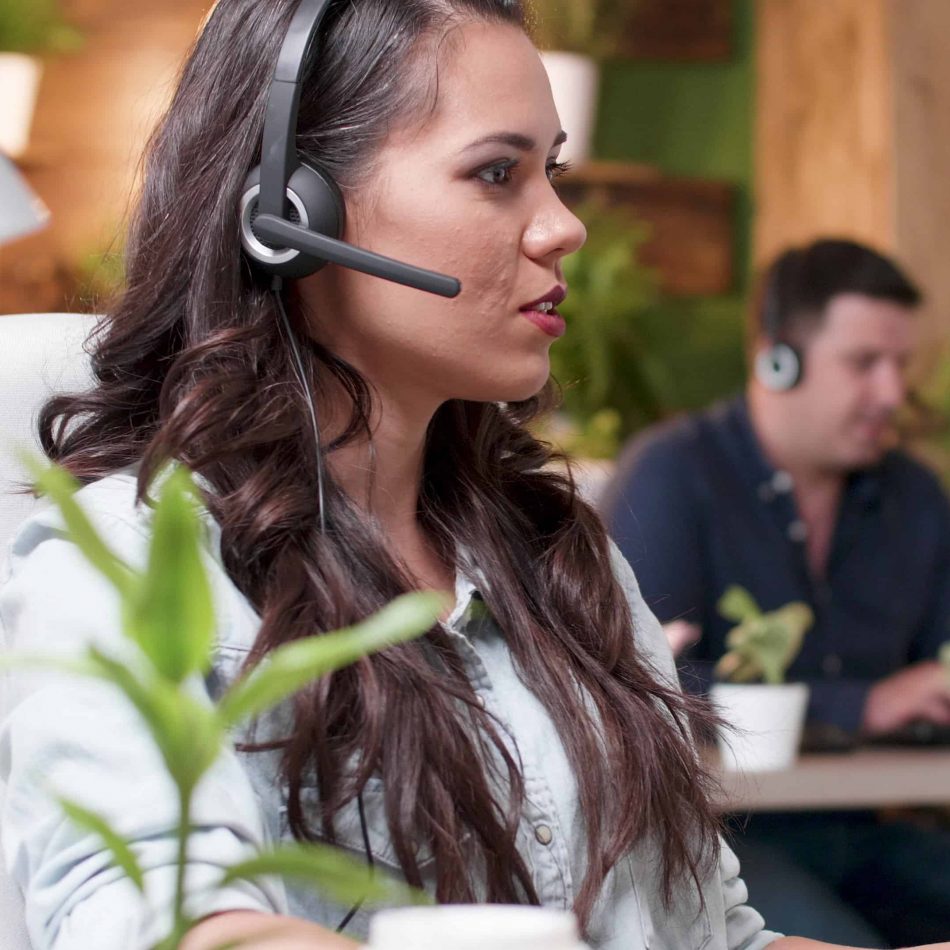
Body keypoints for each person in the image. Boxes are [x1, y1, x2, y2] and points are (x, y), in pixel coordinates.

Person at [0, 0, 944, 945]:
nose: (565, 227)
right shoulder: (134, 568)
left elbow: (713, 939)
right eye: (498, 173)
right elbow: (160, 927)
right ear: (293, 212)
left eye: (552, 172)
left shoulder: (565, 562)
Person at [602, 237, 950, 948]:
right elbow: (633, 682)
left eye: (900, 366)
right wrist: (863, 706)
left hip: (870, 827)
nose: (892, 392)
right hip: (722, 840)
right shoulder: (673, 475)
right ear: (777, 361)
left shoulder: (914, 496)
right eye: (864, 364)